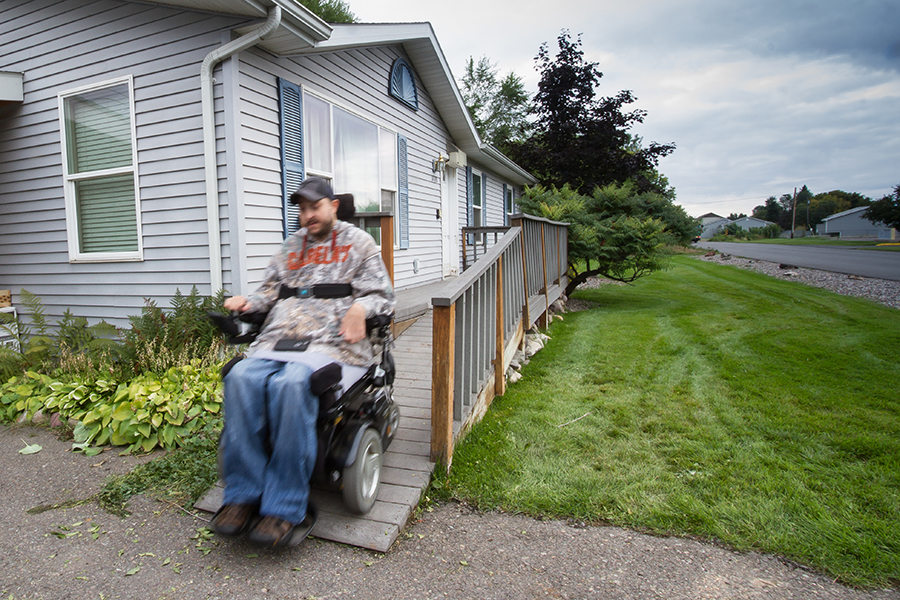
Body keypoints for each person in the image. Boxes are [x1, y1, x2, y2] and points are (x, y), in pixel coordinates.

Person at [212, 177, 395, 546]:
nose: (308, 215)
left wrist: (361, 307)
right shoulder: (290, 246)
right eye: (302, 208)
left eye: (315, 207)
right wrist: (247, 304)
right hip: (278, 340)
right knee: (240, 378)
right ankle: (243, 495)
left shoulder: (358, 243)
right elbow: (269, 293)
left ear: (333, 206)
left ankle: (285, 505)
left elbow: (384, 296)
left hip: (335, 346)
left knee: (291, 385)